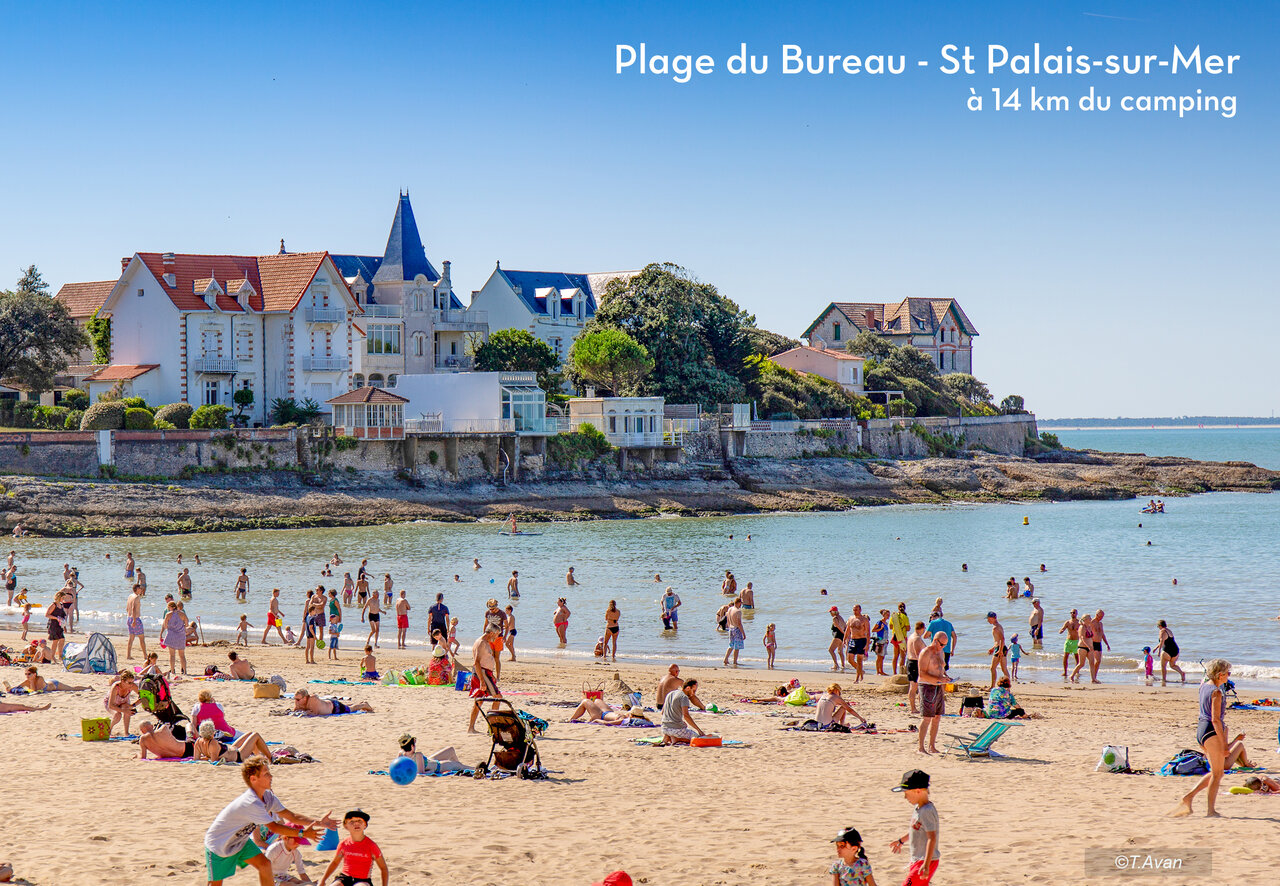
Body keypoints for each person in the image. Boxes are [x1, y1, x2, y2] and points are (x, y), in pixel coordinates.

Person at [204, 755, 338, 886]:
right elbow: (274, 827)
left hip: (241, 841)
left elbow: (291, 816)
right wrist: (302, 834)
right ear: (253, 779)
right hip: (219, 844)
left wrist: (320, 822)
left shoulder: (268, 796)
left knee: (265, 865)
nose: (271, 776)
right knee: (215, 884)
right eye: (266, 774)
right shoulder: (251, 802)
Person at [1174, 659, 1255, 818]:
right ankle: (1210, 811)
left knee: (1216, 772)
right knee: (1218, 774)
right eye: (1227, 673)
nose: (1229, 676)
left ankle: (1189, 798)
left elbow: (1206, 679)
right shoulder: (1216, 692)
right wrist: (1224, 744)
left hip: (1201, 730)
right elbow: (1216, 719)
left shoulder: (1204, 685)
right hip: (1211, 731)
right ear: (1220, 675)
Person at [889, 769, 940, 886]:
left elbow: (931, 838)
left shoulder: (927, 811)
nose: (905, 797)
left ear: (917, 791)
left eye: (906, 793)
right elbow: (915, 830)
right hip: (918, 859)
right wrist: (901, 841)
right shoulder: (919, 808)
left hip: (926, 860)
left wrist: (926, 865)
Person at [318, 809, 388, 886]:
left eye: (360, 821)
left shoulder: (371, 846)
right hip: (344, 878)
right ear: (346, 826)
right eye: (352, 822)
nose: (356, 823)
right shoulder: (343, 844)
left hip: (363, 880)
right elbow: (335, 862)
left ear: (365, 825)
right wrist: (323, 880)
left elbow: (383, 868)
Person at [917, 633, 949, 755]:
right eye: (941, 644)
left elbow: (941, 668)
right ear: (935, 641)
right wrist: (939, 680)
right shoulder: (926, 652)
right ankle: (921, 747)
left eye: (945, 645)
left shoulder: (941, 652)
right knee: (927, 718)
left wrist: (945, 677)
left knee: (937, 717)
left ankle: (932, 745)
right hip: (927, 686)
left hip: (938, 686)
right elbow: (922, 674)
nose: (942, 647)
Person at [468, 624, 503, 733]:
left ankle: (472, 728)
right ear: (491, 633)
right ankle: (491, 727)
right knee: (498, 697)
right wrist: (482, 681)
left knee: (479, 701)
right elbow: (477, 662)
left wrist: (492, 674)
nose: (497, 637)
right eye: (497, 634)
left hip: (485, 673)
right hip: (482, 673)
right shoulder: (481, 643)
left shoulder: (486, 642)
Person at [193, 721, 275, 764]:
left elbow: (196, 759)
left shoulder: (198, 742)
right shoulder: (213, 743)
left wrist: (206, 757)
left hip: (232, 748)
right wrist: (209, 758)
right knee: (255, 735)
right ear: (211, 732)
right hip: (238, 755)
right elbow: (214, 761)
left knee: (250, 734)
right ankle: (270, 758)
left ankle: (259, 758)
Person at [660, 678, 706, 745]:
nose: (694, 694)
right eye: (693, 691)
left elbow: (662, 712)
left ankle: (668, 737)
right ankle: (677, 739)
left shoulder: (670, 693)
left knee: (680, 728)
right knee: (696, 738)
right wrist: (699, 730)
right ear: (688, 688)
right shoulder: (684, 697)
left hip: (664, 728)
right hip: (676, 729)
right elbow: (686, 715)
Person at [292, 689, 373, 716]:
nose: (296, 701)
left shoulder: (313, 699)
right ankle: (360, 703)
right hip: (329, 704)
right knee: (347, 706)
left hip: (334, 707)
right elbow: (296, 710)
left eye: (298, 699)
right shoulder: (299, 701)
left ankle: (364, 705)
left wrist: (304, 711)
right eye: (295, 699)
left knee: (351, 709)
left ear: (305, 698)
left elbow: (315, 713)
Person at [105, 671, 138, 735]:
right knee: (118, 715)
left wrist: (133, 705)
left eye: (132, 682)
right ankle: (109, 729)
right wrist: (124, 711)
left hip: (123, 703)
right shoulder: (116, 687)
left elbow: (143, 697)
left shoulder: (132, 686)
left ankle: (126, 732)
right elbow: (110, 705)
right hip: (112, 703)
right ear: (123, 681)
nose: (131, 684)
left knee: (127, 708)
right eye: (129, 683)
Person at [906, 622, 927, 715]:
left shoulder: (911, 636)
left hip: (911, 662)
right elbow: (919, 654)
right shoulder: (917, 638)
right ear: (922, 628)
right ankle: (913, 708)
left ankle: (916, 707)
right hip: (915, 663)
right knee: (915, 686)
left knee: (915, 686)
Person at [1157, 620, 1186, 685]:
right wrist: (1156, 648)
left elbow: (1162, 641)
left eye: (1158, 626)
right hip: (1175, 650)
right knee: (1172, 665)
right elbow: (1167, 641)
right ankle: (1181, 673)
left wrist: (1159, 651)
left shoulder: (1162, 631)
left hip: (1167, 650)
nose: (1158, 627)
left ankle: (1164, 679)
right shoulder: (1169, 631)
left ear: (1160, 626)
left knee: (1163, 666)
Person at [845, 605, 870, 682]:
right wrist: (844, 639)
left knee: (859, 660)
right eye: (854, 610)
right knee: (849, 659)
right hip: (852, 640)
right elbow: (848, 630)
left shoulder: (864, 620)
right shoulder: (851, 618)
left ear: (860, 610)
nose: (855, 611)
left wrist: (867, 644)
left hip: (861, 640)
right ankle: (860, 671)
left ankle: (857, 678)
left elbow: (868, 633)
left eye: (856, 610)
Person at [986, 611, 1009, 688]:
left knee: (993, 668)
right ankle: (1007, 687)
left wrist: (1000, 651)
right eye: (988, 619)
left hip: (1000, 649)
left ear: (994, 618)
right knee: (1004, 669)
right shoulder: (998, 626)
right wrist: (993, 648)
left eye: (989, 619)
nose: (988, 620)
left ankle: (992, 686)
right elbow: (998, 640)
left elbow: (1002, 639)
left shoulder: (996, 627)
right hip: (1001, 648)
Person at [45, 592, 69, 661]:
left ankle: (60, 656)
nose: (64, 599)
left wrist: (64, 627)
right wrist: (56, 618)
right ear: (59, 597)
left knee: (62, 639)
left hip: (60, 625)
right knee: (55, 641)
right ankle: (52, 656)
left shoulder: (61, 605)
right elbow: (47, 615)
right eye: (63, 598)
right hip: (53, 625)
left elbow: (63, 616)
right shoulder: (53, 605)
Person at [126, 582, 147, 660]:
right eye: (140, 588)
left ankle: (128, 655)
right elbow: (133, 608)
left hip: (129, 618)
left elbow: (127, 608)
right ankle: (145, 656)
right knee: (141, 638)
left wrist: (131, 618)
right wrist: (134, 620)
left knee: (131, 637)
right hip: (135, 619)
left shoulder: (130, 596)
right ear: (137, 589)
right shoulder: (137, 597)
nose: (141, 590)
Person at [1058, 609, 1081, 679]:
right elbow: (1062, 629)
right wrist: (1061, 631)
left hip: (1076, 641)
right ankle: (1065, 672)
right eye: (1071, 613)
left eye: (1074, 613)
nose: (1072, 614)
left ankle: (1077, 671)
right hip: (1068, 641)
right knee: (1065, 657)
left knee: (1077, 657)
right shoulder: (1068, 622)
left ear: (1076, 613)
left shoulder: (1079, 622)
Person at [723, 597, 746, 668]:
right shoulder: (738, 611)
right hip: (736, 629)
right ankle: (735, 661)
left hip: (731, 628)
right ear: (738, 603)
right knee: (737, 647)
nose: (741, 605)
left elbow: (728, 619)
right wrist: (743, 633)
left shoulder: (730, 609)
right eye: (740, 603)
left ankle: (726, 659)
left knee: (731, 645)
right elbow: (739, 623)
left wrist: (729, 626)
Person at [1090, 609, 1111, 683]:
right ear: (1097, 615)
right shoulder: (1091, 622)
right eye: (1101, 616)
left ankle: (1094, 677)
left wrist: (1107, 644)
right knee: (1097, 660)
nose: (1102, 618)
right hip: (1093, 643)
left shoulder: (1100, 624)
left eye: (1103, 617)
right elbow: (1086, 631)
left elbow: (1102, 634)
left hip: (1099, 643)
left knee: (1098, 661)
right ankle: (1093, 678)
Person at [889, 602, 910, 676]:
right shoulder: (905, 617)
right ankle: (901, 672)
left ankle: (894, 672)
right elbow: (908, 628)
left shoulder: (893, 616)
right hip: (902, 638)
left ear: (898, 608)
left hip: (895, 637)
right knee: (902, 656)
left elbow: (891, 627)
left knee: (895, 656)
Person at [870, 610, 890, 677]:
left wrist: (887, 639)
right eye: (887, 615)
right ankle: (878, 671)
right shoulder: (879, 622)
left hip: (884, 641)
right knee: (879, 657)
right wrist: (880, 628)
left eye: (889, 615)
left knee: (882, 657)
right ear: (883, 615)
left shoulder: (886, 623)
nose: (888, 616)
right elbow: (873, 630)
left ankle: (881, 671)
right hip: (880, 641)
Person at [828, 606, 847, 672]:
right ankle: (843, 665)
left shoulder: (835, 618)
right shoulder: (840, 617)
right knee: (840, 651)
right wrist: (845, 636)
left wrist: (844, 634)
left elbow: (839, 627)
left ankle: (836, 664)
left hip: (838, 635)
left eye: (830, 612)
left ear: (833, 612)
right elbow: (845, 626)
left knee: (830, 650)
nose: (830, 613)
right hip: (841, 636)